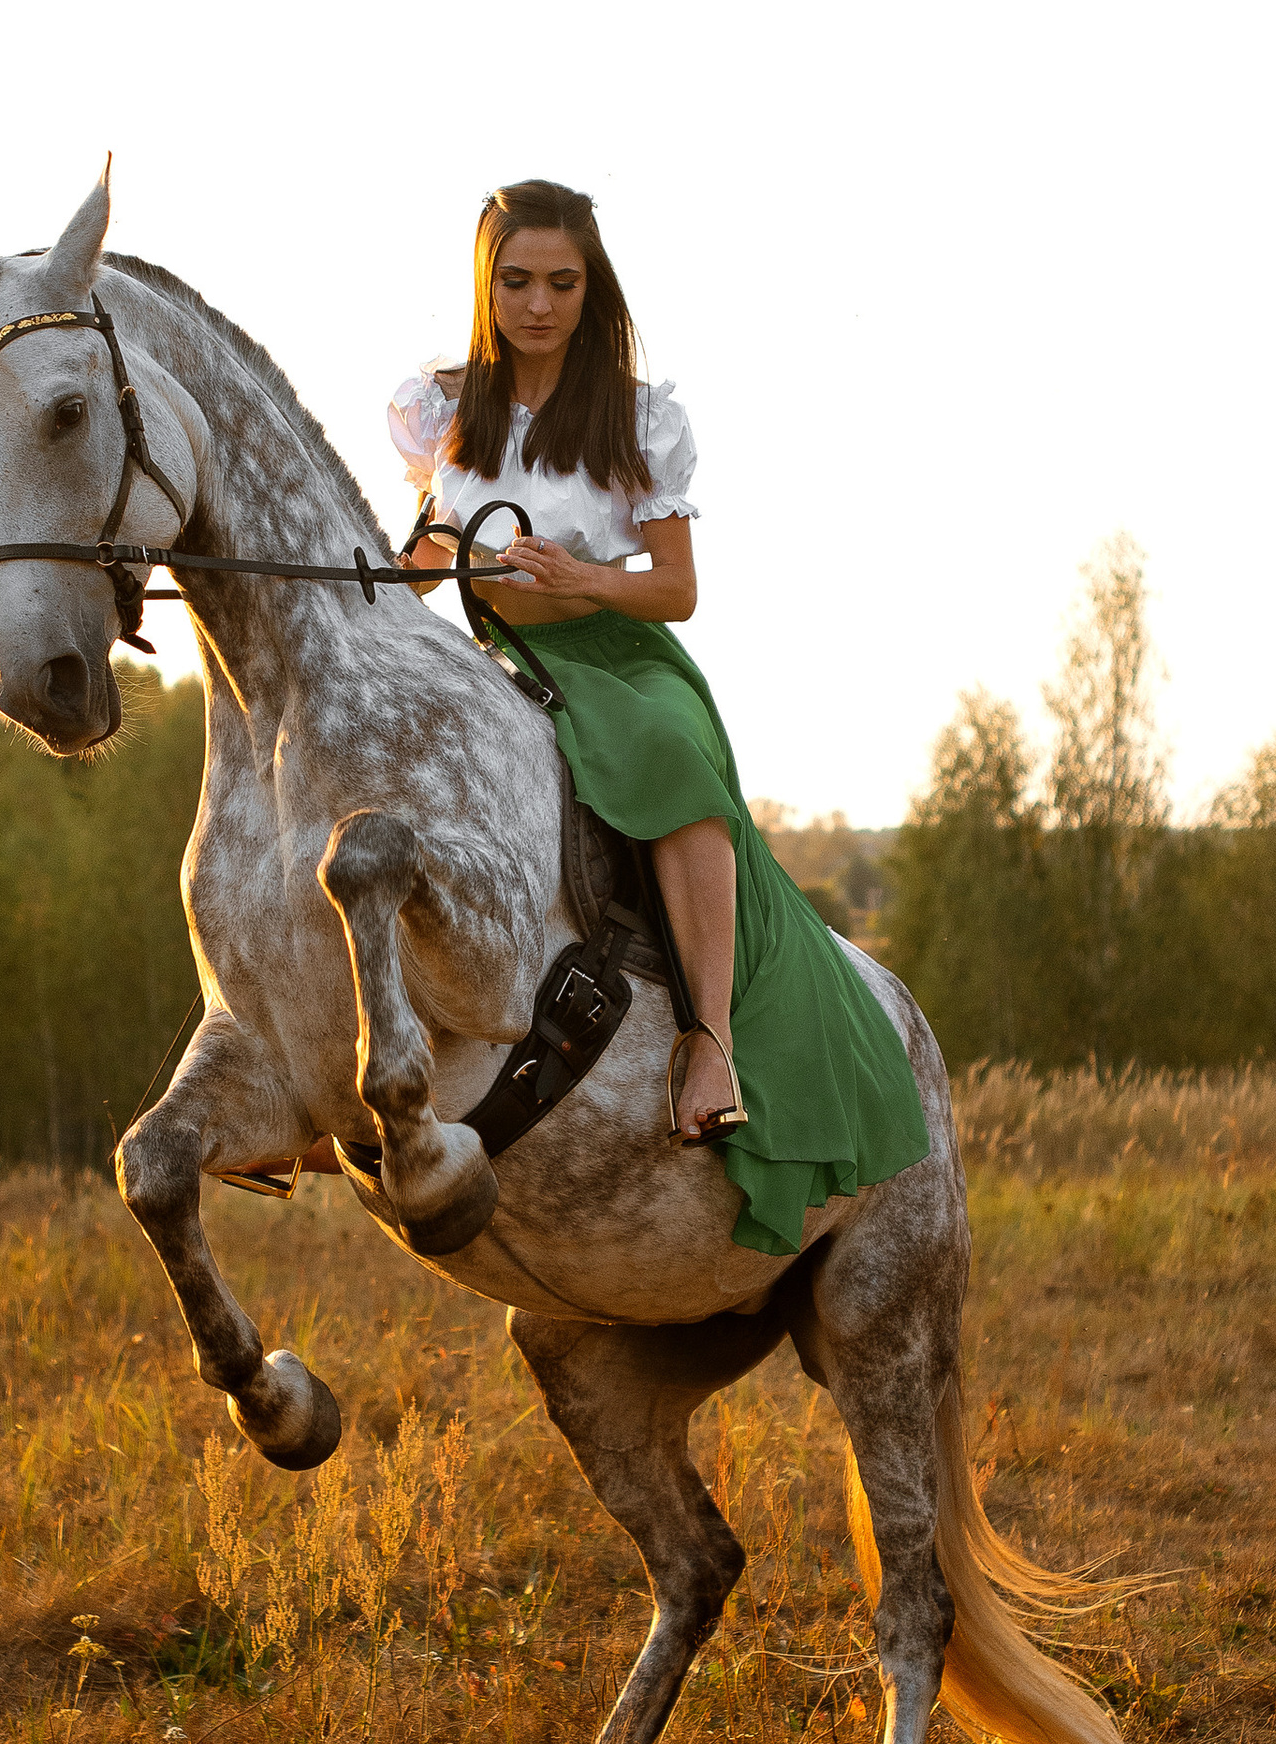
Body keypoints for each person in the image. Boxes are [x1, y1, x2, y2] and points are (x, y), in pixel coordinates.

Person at [389, 181, 929, 1261]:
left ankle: (711, 1043)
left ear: (591, 291)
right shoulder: (438, 410)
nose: (537, 303)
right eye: (516, 281)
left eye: (561, 282)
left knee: (667, 756)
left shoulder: (637, 420)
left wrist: (584, 578)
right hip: (495, 653)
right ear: (484, 286)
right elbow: (420, 554)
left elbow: (677, 589)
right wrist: (389, 575)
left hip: (620, 659)